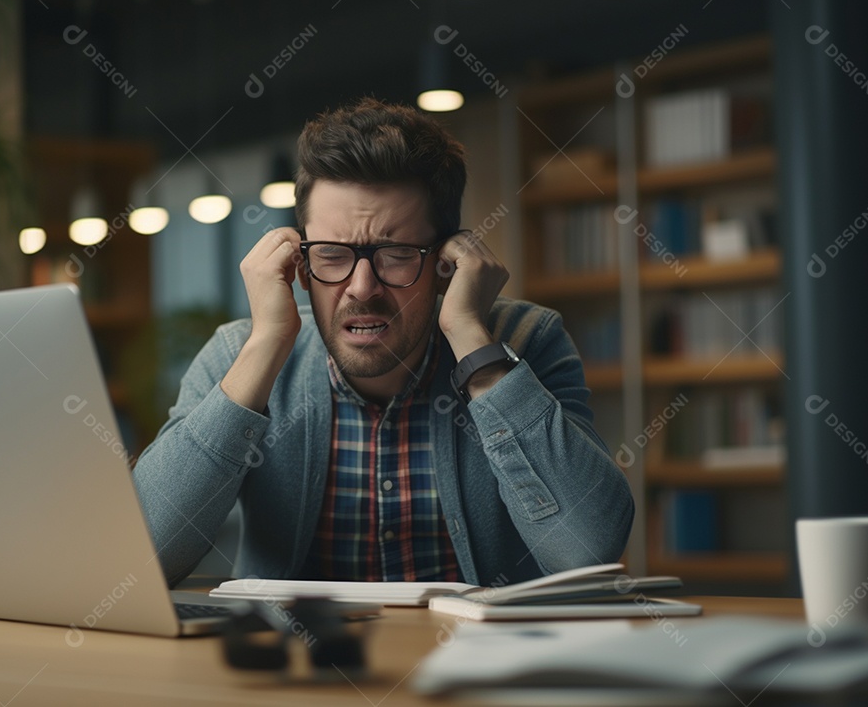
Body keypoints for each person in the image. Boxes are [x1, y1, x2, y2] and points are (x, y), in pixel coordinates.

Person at [133, 98, 633, 588]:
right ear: (300, 265)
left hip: (476, 666)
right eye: (332, 254)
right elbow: (145, 558)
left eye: (395, 254)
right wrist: (268, 342)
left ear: (447, 262)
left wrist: (475, 349)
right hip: (296, 666)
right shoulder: (238, 355)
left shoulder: (526, 340)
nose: (362, 288)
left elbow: (586, 552)